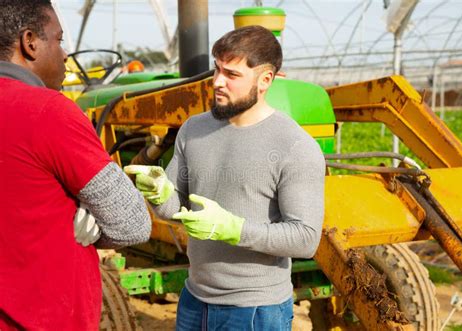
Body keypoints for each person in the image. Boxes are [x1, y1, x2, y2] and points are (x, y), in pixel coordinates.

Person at [125, 25, 325, 330]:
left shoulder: (294, 146)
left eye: (232, 75)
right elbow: (177, 211)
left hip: (256, 310)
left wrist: (233, 229)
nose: (217, 82)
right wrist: (159, 193)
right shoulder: (194, 129)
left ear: (265, 79)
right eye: (216, 69)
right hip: (195, 299)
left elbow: (305, 239)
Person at [0, 1, 152, 330]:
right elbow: (132, 223)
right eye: (58, 40)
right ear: (29, 42)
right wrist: (86, 211)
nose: (66, 53)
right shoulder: (49, 112)